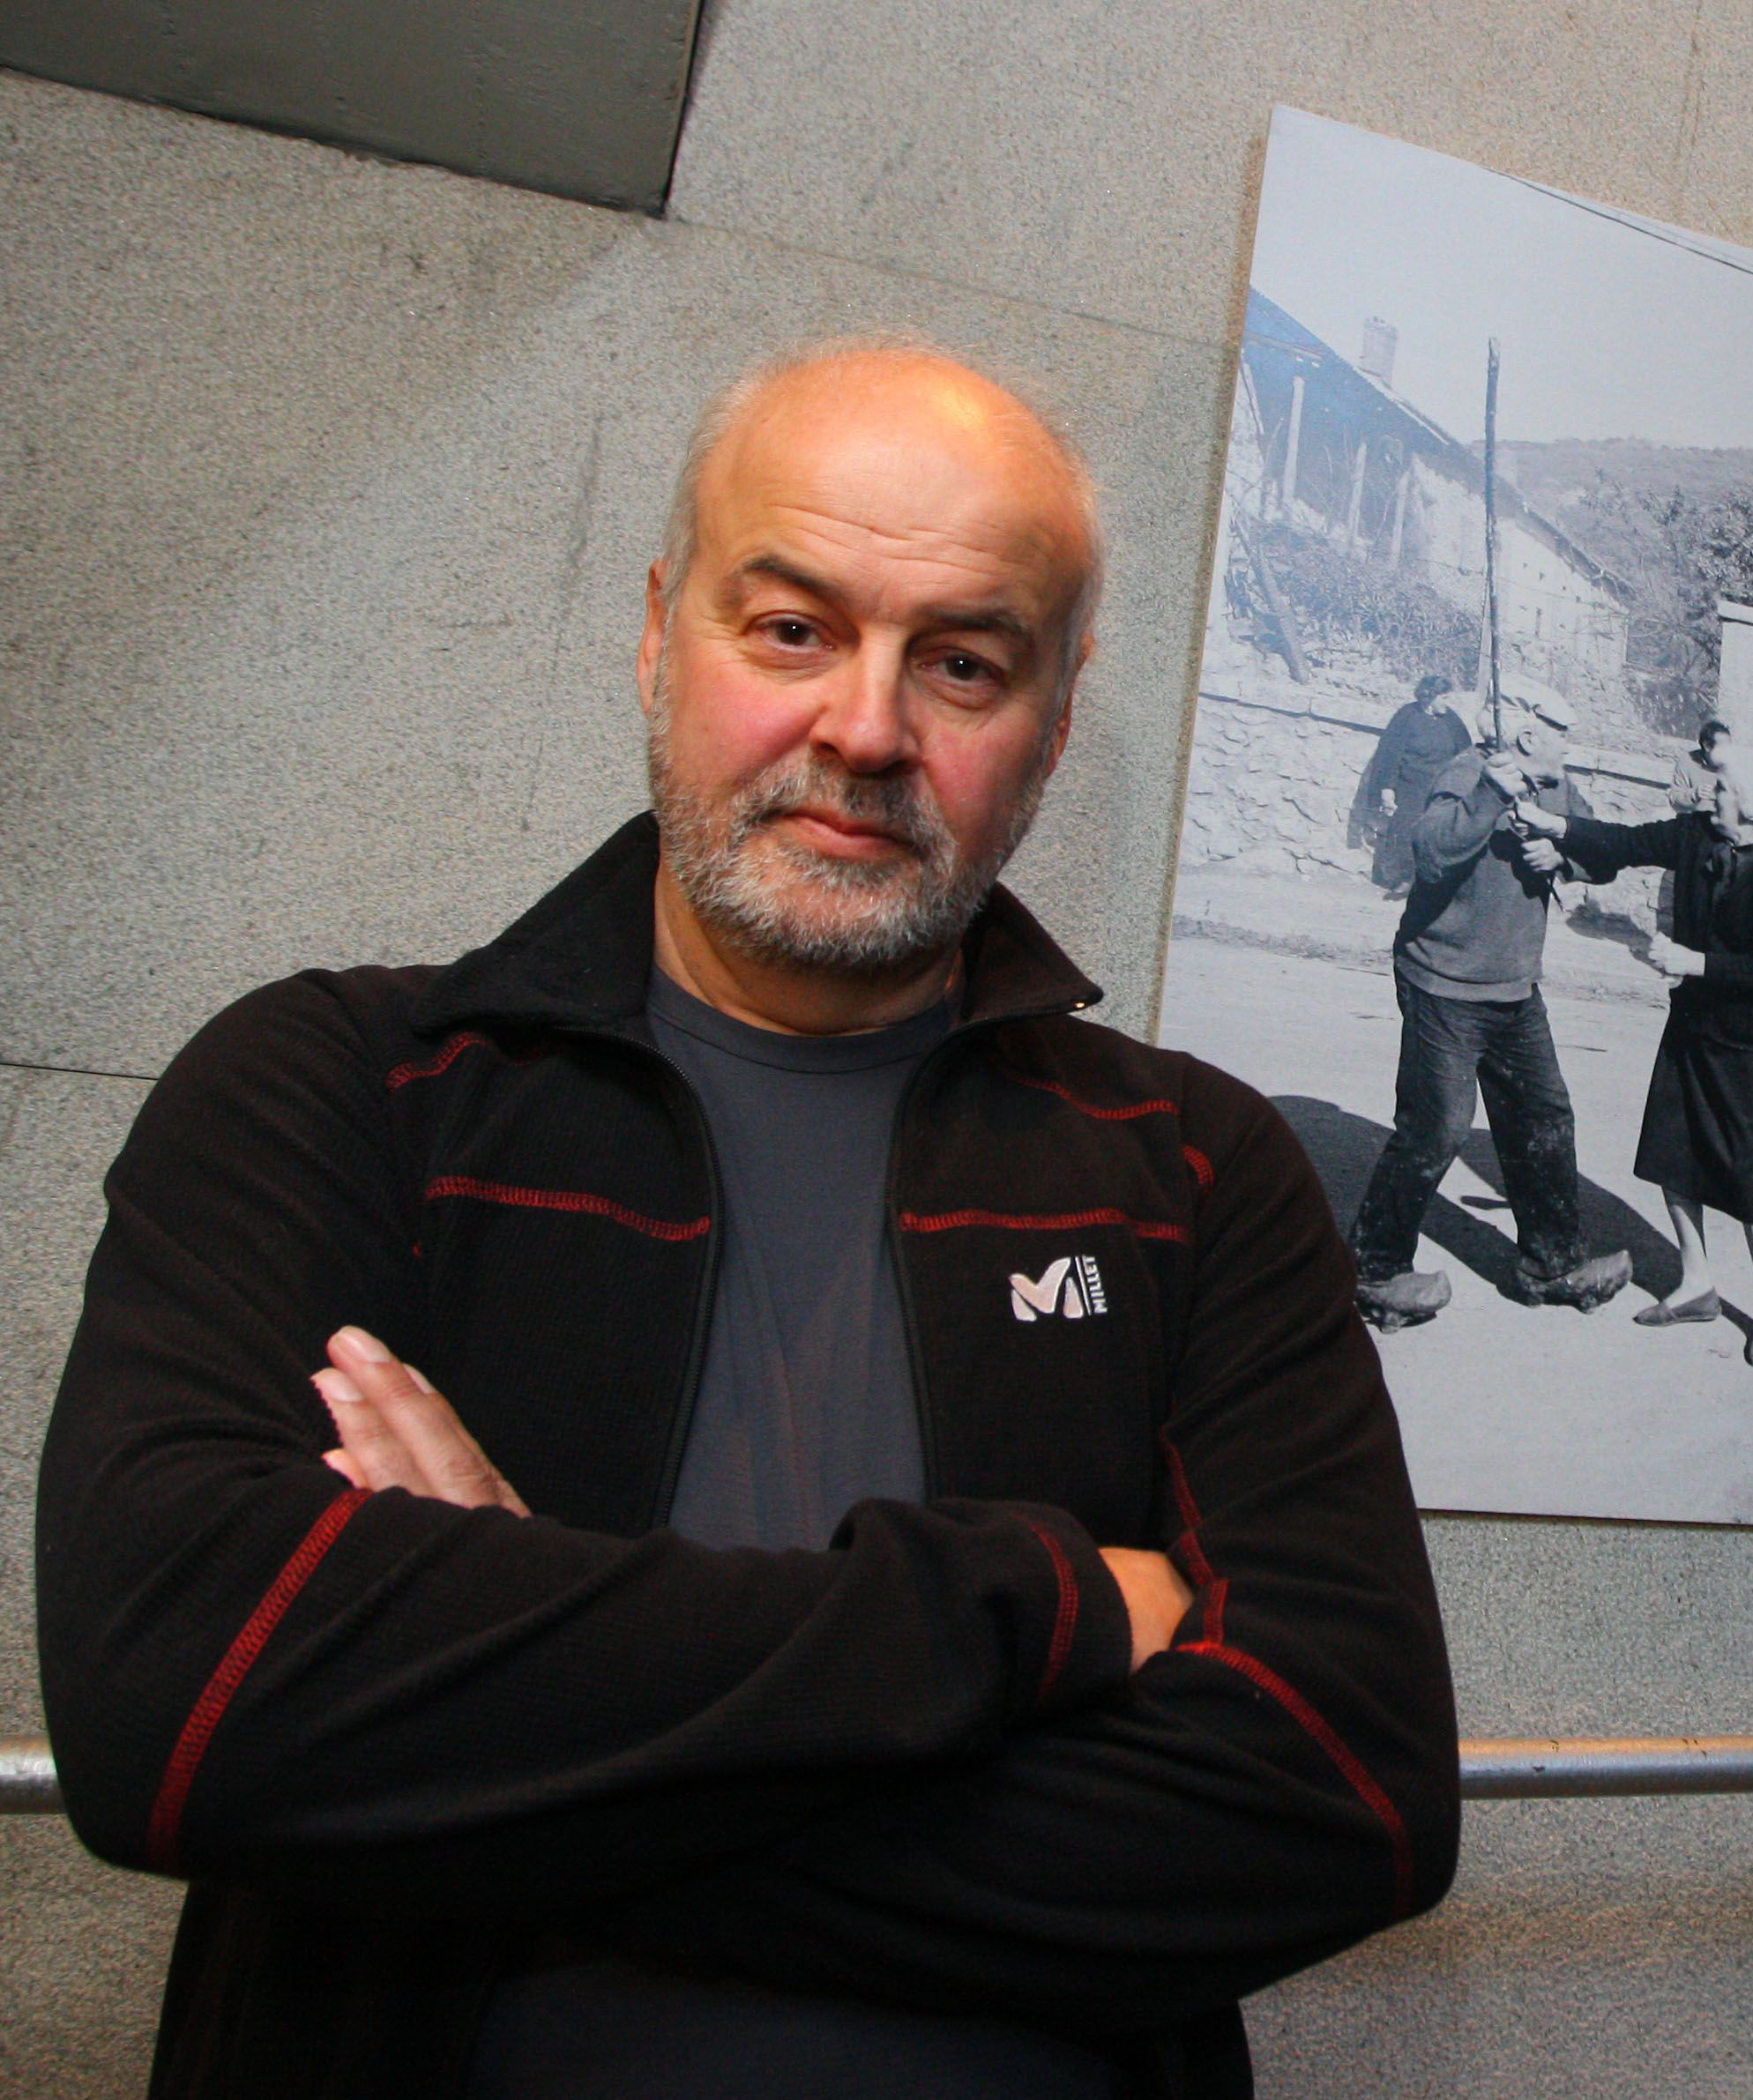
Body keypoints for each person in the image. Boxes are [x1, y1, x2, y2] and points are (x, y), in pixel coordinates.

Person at [34, 339, 1460, 2100]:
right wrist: (1045, 1609)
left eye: (962, 661)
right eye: (790, 628)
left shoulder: (1193, 1171)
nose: (865, 728)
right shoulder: (344, 1091)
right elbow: (181, 1716)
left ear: (1056, 723)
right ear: (658, 635)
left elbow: (1345, 1796)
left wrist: (512, 1683)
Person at [1346, 674, 1634, 1329]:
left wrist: (1558, 857)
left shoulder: (1560, 787)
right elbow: (1431, 852)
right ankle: (1375, 1270)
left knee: (1544, 1117)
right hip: (1442, 982)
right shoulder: (1468, 770)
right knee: (1437, 1128)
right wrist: (1489, 794)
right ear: (1530, 736)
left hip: (1513, 987)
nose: (1570, 745)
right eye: (1562, 735)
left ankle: (1552, 1265)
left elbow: (1601, 853)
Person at [1512, 744, 1753, 1366]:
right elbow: (1625, 843)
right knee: (1675, 1155)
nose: (1710, 795)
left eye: (1722, 789)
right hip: (1695, 1027)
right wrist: (1558, 826)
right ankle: (1697, 1283)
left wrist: (1690, 962)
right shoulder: (1697, 834)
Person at [1349, 671, 1474, 892]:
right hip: (1411, 787)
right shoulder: (1406, 716)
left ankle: (1433, 883)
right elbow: (1389, 754)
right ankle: (1405, 879)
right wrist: (1387, 789)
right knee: (1406, 832)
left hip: (1442, 788)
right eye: (1444, 697)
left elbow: (1466, 753)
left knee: (1439, 834)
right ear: (1429, 697)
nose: (1449, 702)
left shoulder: (1452, 720)